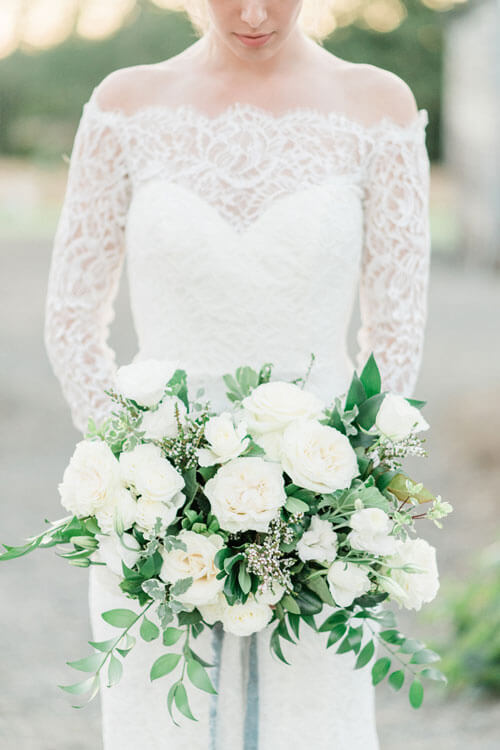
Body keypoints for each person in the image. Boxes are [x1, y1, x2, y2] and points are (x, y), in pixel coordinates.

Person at [43, 1, 431, 748]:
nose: (254, 13)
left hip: (323, 508)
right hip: (156, 497)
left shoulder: (376, 105)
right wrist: (134, 473)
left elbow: (395, 330)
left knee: (313, 722)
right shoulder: (126, 104)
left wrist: (347, 483)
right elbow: (71, 316)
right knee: (165, 720)